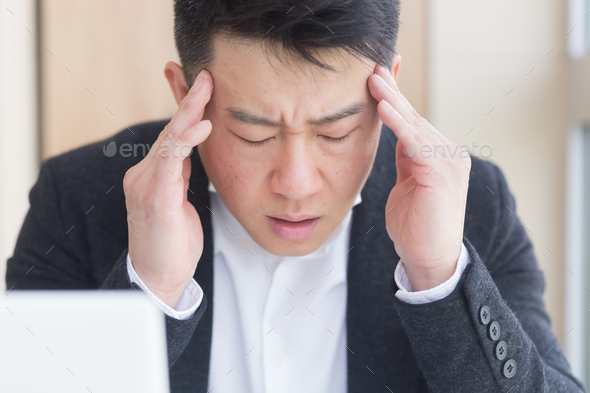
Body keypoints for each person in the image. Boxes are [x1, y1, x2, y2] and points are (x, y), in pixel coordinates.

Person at [6, 0, 586, 392]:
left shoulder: (469, 203)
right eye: (254, 133)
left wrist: (438, 276)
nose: (297, 182)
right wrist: (148, 295)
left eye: (335, 131)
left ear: (388, 91)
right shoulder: (78, 197)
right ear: (186, 94)